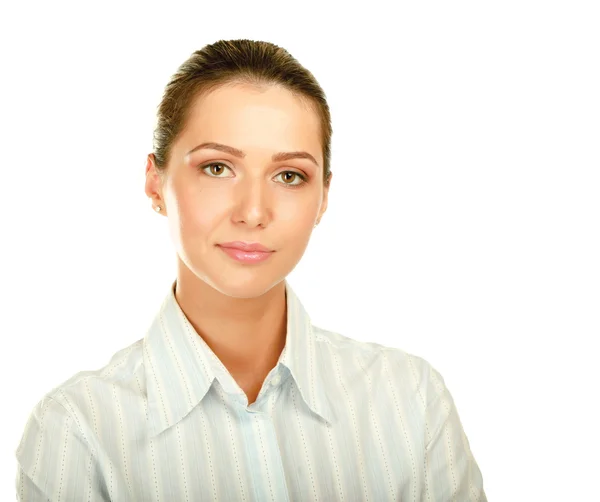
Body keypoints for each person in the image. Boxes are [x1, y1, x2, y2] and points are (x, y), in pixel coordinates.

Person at [15, 39, 487, 501]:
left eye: (289, 176)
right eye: (218, 168)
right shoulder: (76, 432)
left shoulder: (412, 401)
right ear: (155, 182)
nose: (254, 212)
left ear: (323, 197)